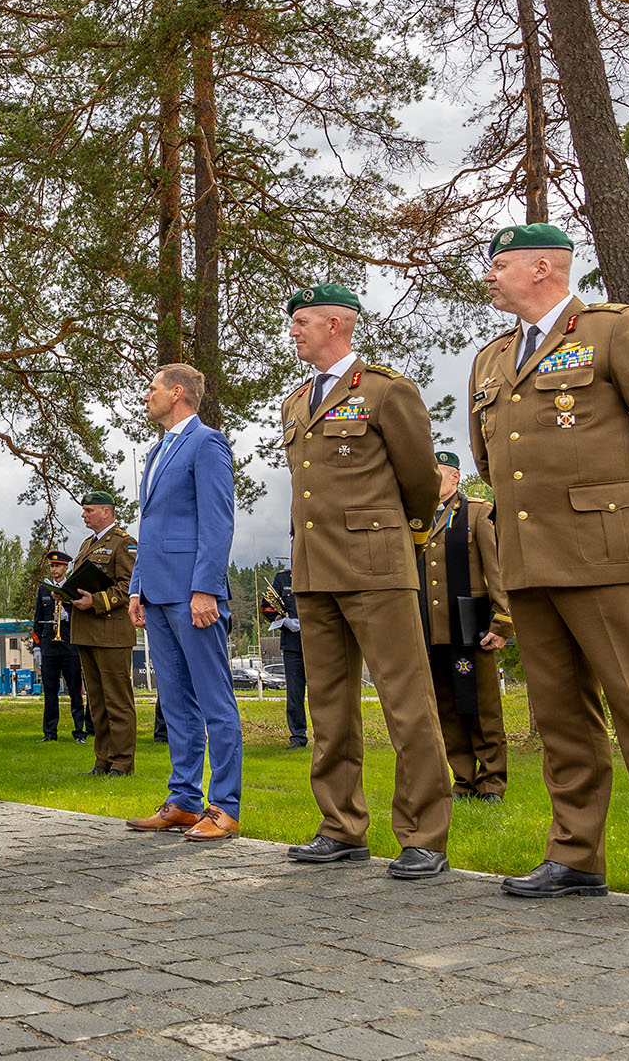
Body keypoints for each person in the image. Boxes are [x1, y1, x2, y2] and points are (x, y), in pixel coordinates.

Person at [471, 222, 629, 927]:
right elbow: (494, 465)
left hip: (609, 554)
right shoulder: (491, 359)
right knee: (562, 718)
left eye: (501, 264)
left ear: (544, 267)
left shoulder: (615, 331)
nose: (490, 276)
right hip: (531, 560)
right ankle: (577, 856)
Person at [281, 282, 451, 881]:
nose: (294, 330)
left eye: (303, 321)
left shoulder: (385, 391)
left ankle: (424, 835)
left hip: (377, 567)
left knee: (407, 704)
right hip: (314, 572)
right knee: (329, 708)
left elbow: (421, 482)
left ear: (338, 324)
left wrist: (399, 538)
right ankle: (341, 827)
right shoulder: (297, 402)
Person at [125, 363, 242, 841]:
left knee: (215, 702)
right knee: (175, 703)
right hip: (156, 593)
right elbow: (151, 527)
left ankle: (226, 806)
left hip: (193, 593)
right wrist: (137, 587)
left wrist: (205, 589)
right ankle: (184, 801)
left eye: (151, 388)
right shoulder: (156, 451)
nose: (145, 397)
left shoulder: (207, 443)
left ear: (177, 394)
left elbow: (218, 522)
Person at [421, 451, 513, 801]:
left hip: (470, 628)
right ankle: (463, 780)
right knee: (448, 708)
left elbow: (497, 569)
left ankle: (491, 782)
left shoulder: (477, 512)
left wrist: (502, 620)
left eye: (437, 474)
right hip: (434, 631)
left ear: (455, 477)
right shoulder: (421, 517)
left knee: (480, 706)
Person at [68, 492, 138, 778]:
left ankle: (122, 763)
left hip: (112, 633)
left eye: (89, 510)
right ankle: (103, 761)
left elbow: (129, 586)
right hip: (86, 632)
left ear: (107, 513)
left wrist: (95, 601)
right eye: (84, 510)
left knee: (117, 701)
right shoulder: (87, 544)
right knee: (97, 702)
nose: (84, 515)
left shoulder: (125, 543)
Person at [31, 550, 88, 743]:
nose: (54, 569)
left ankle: (79, 731)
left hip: (70, 646)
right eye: (52, 566)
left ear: (66, 567)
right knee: (50, 692)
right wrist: (37, 647)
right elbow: (38, 619)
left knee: (75, 691)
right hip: (49, 647)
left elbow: (83, 617)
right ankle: (49, 732)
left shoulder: (73, 588)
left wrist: (67, 613)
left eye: (57, 566)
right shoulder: (44, 590)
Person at [269, 567, 308, 750]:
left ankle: (325, 735)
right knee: (294, 694)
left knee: (323, 693)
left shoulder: (320, 571)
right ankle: (298, 736)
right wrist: (283, 621)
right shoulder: (283, 578)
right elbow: (267, 605)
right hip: (293, 645)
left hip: (320, 645)